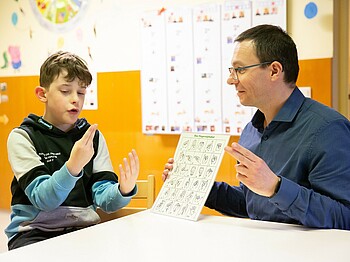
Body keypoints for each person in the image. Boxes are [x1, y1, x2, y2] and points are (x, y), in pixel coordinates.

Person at [163, 24, 350, 230]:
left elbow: (344, 217)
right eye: (232, 71)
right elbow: (253, 204)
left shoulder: (328, 129)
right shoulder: (252, 129)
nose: (230, 80)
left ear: (274, 71)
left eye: (240, 70)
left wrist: (276, 187)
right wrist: (194, 185)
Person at [5, 51, 140, 250]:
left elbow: (105, 200)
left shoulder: (91, 137)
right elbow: (44, 200)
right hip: (34, 232)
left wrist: (122, 190)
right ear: (43, 94)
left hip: (83, 230)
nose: (75, 99)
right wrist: (73, 166)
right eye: (65, 91)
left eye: (81, 92)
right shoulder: (22, 137)